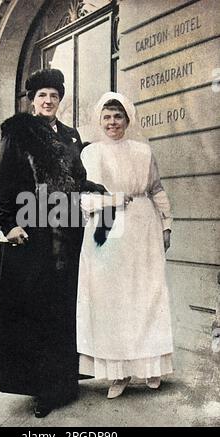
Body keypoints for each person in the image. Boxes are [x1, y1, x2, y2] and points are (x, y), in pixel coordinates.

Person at [0, 68, 88, 418]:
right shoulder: (19, 132)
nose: (48, 101)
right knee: (36, 312)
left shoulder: (71, 136)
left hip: (68, 234)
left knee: (63, 308)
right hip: (32, 235)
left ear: (60, 100)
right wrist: (8, 224)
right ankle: (42, 391)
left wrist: (98, 196)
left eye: (54, 96)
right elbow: (3, 182)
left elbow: (79, 181)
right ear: (32, 100)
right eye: (42, 96)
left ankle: (64, 382)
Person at [77, 91, 174, 398]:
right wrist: (114, 199)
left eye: (118, 116)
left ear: (128, 119)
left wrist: (167, 224)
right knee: (112, 300)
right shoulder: (89, 154)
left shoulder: (143, 152)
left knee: (147, 295)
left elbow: (157, 190)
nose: (112, 122)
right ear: (99, 120)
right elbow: (84, 198)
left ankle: (151, 367)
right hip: (106, 228)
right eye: (106, 117)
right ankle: (118, 374)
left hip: (143, 228)